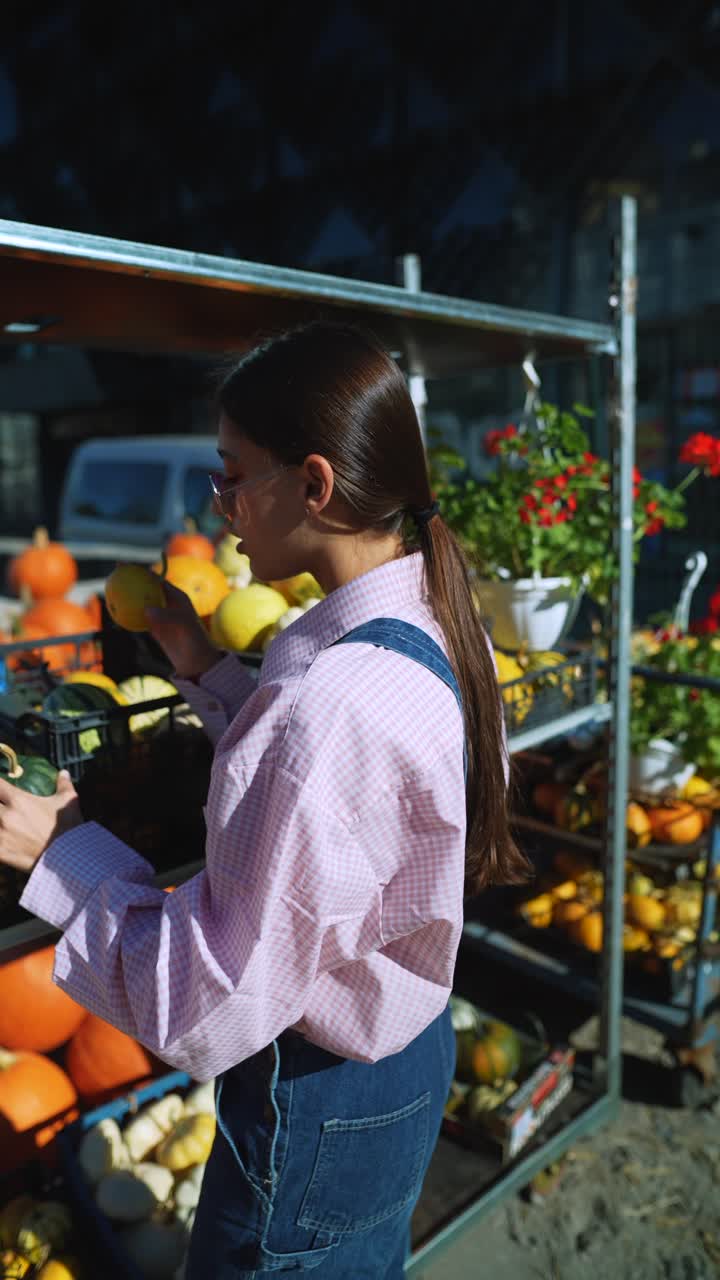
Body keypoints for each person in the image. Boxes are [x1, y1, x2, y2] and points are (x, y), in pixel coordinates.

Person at [0, 322, 528, 1278]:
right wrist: (205, 668)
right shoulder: (436, 621)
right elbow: (342, 786)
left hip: (316, 1106)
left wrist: (62, 851)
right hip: (407, 1064)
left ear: (315, 484)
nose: (222, 504)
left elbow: (208, 1000)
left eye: (232, 474)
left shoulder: (322, 710)